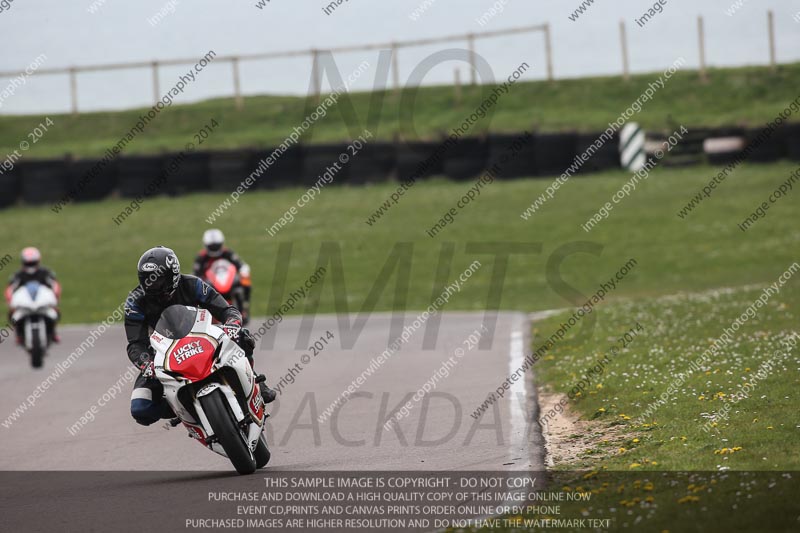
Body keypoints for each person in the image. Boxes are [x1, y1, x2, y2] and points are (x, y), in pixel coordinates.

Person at [125, 246, 275, 427]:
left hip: (201, 337)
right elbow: (135, 343)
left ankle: (255, 383)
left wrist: (232, 323)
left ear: (173, 275)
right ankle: (181, 408)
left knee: (242, 336)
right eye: (147, 280)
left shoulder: (192, 284)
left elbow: (226, 310)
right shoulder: (135, 302)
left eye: (158, 279)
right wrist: (146, 364)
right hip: (162, 353)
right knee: (140, 408)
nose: (152, 285)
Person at [193, 229, 252, 324]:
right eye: (212, 246)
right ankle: (201, 315)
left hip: (229, 280)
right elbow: (196, 274)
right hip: (210, 284)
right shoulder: (202, 257)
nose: (214, 248)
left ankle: (244, 306)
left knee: (244, 280)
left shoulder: (228, 253)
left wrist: (243, 272)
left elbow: (242, 266)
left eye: (216, 245)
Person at [4, 247, 61, 343]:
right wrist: (11, 301)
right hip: (25, 303)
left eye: (32, 263)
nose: (30, 266)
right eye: (28, 263)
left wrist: (55, 297)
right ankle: (19, 334)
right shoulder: (18, 275)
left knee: (55, 311)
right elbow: (10, 289)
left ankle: (53, 332)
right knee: (12, 314)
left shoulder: (45, 272)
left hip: (41, 301)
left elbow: (55, 285)